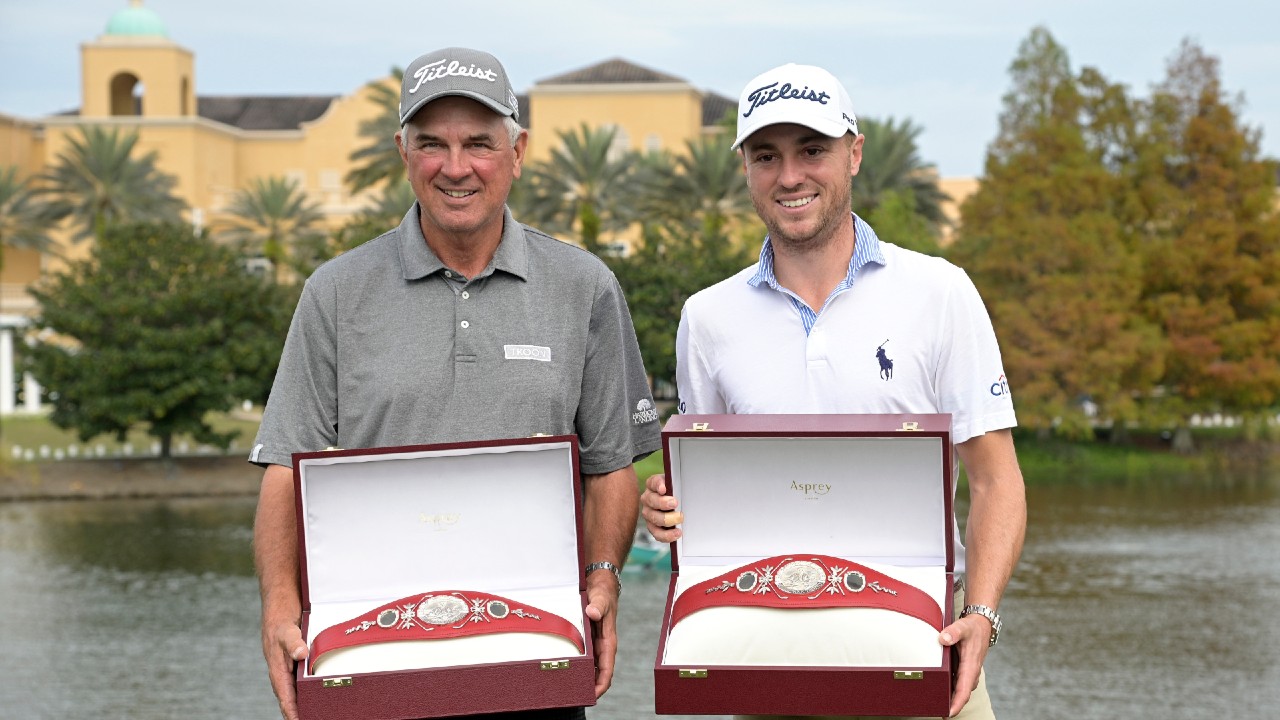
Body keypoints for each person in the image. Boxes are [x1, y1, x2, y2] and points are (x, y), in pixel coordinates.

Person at [250, 47, 661, 720]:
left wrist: (604, 578)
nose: (456, 166)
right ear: (403, 153)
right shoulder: (334, 293)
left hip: (537, 650)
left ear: (518, 150)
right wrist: (278, 604)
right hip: (368, 651)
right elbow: (285, 467)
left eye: (479, 143)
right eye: (432, 144)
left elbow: (612, 463)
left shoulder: (584, 287)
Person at [640, 62, 1027, 720]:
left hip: (924, 646)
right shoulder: (707, 318)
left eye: (811, 150)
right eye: (767, 156)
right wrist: (667, 512)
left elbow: (997, 482)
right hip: (765, 658)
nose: (789, 176)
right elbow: (705, 499)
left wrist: (981, 614)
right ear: (745, 169)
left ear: (854, 153)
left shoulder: (940, 292)